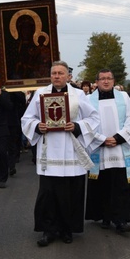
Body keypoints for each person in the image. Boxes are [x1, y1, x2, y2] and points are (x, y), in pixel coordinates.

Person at [22, 60, 99, 247]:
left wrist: (78, 125)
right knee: (48, 193)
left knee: (71, 192)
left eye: (60, 73)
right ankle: (48, 230)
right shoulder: (40, 94)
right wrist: (37, 126)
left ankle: (67, 229)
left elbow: (94, 117)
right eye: (54, 73)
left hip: (71, 149)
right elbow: (27, 118)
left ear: (68, 76)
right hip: (49, 149)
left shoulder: (78, 94)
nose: (57, 76)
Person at [85, 69, 130, 233]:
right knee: (102, 184)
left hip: (119, 149)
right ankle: (105, 217)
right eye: (102, 79)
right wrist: (101, 139)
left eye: (109, 78)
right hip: (99, 149)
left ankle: (120, 220)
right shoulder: (88, 100)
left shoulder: (124, 97)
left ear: (114, 81)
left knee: (119, 185)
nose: (106, 81)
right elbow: (85, 123)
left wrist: (119, 138)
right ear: (97, 82)